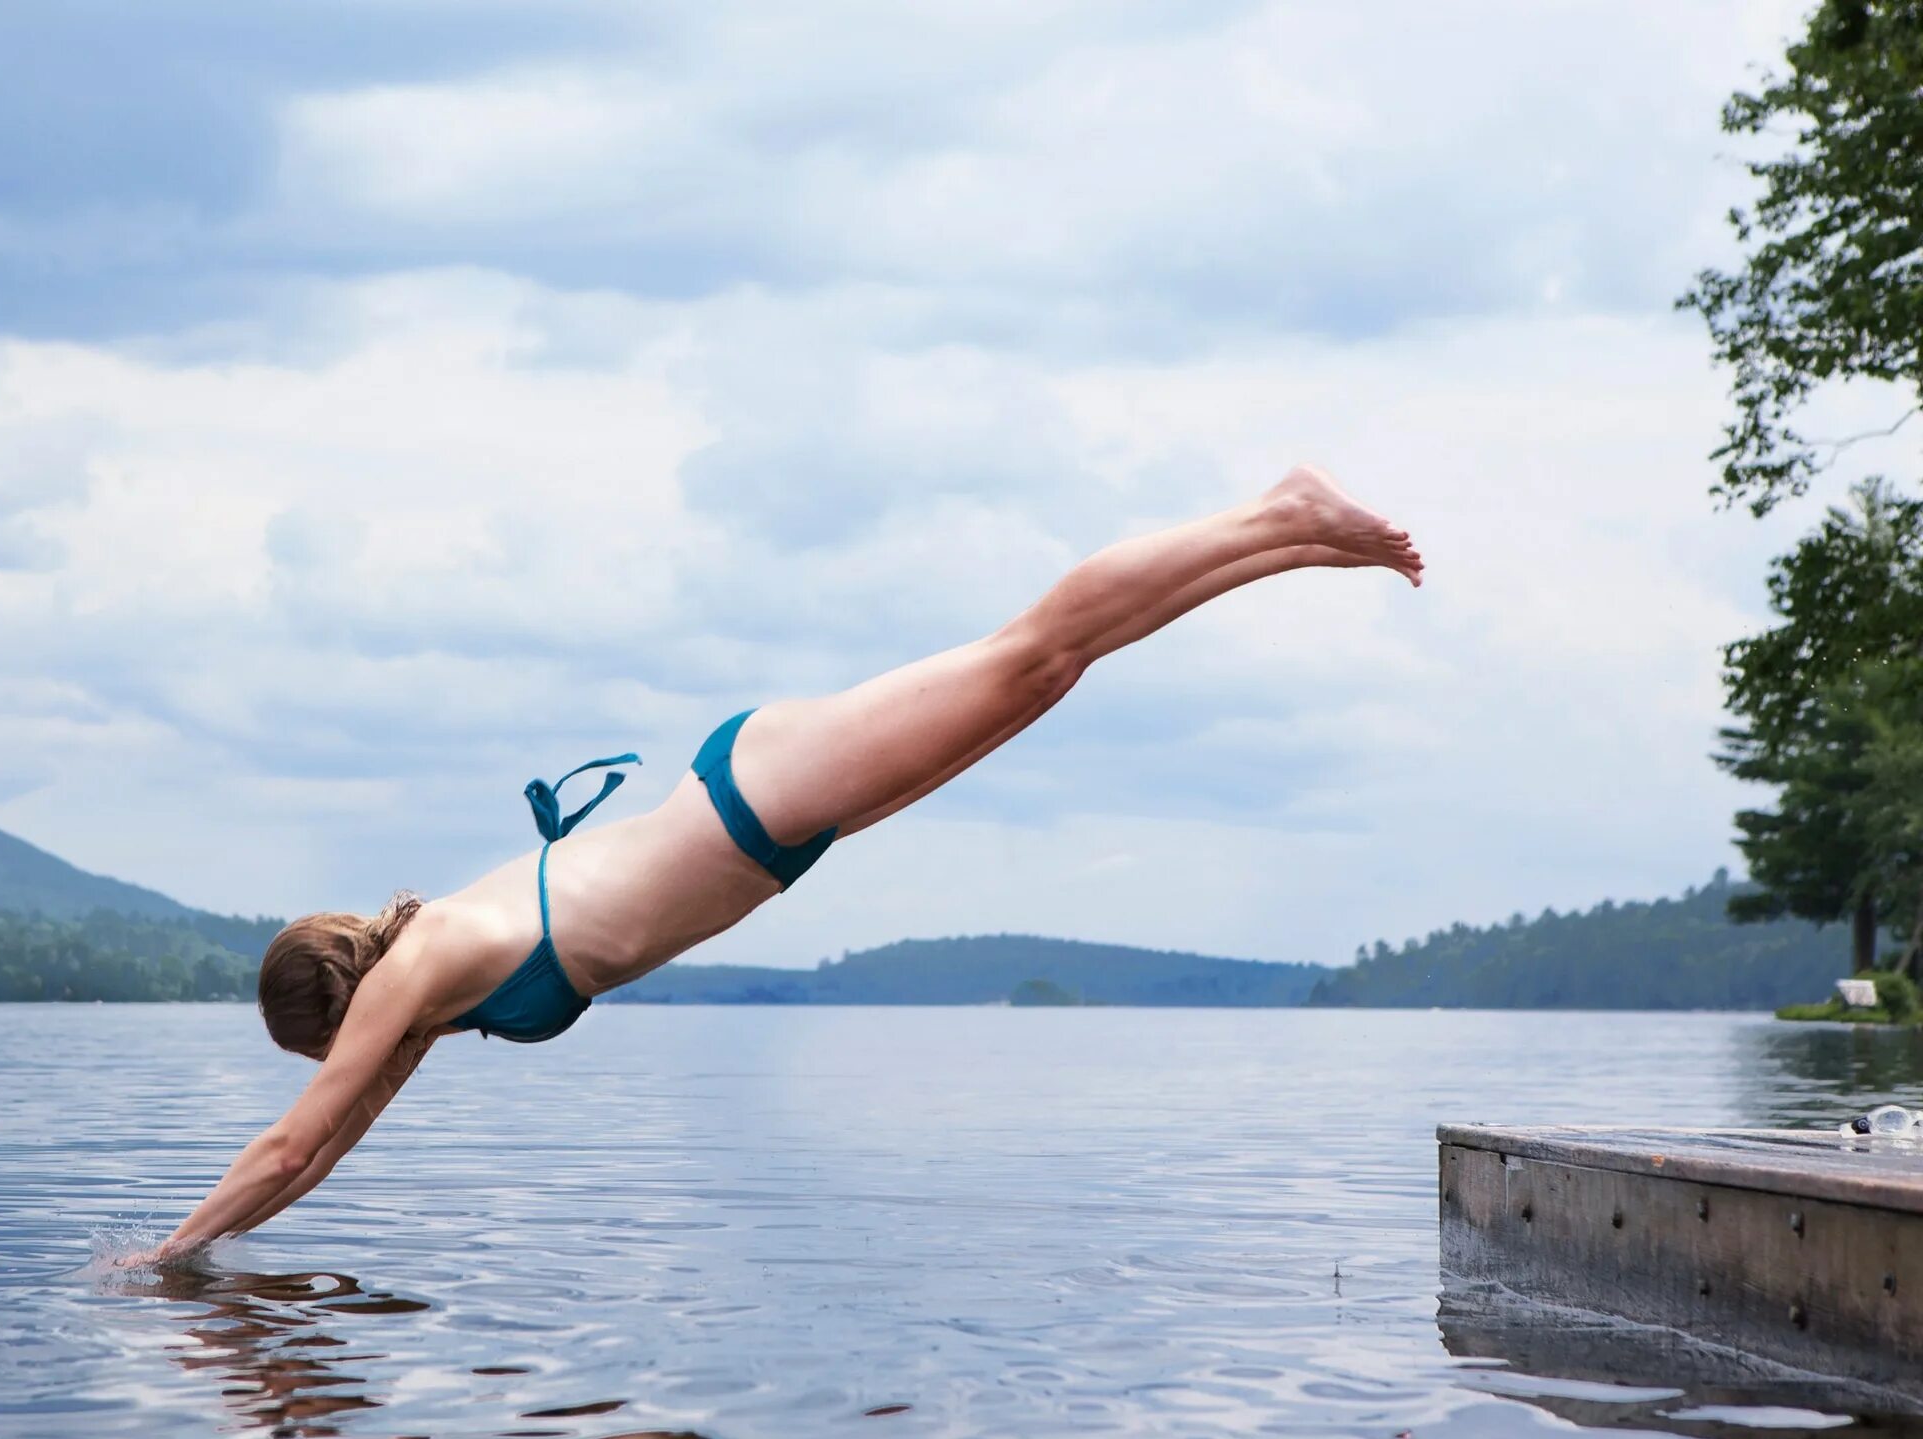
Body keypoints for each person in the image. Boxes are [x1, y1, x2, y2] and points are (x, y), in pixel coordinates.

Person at [134, 465, 1421, 1262]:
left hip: (756, 796)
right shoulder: (423, 992)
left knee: (1028, 651)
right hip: (777, 828)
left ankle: (1278, 513)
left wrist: (159, 1258)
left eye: (325, 1049)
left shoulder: (421, 967)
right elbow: (334, 1140)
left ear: (338, 1009)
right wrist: (204, 1259)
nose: (340, 1071)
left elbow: (291, 1147)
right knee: (1049, 678)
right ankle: (1291, 543)